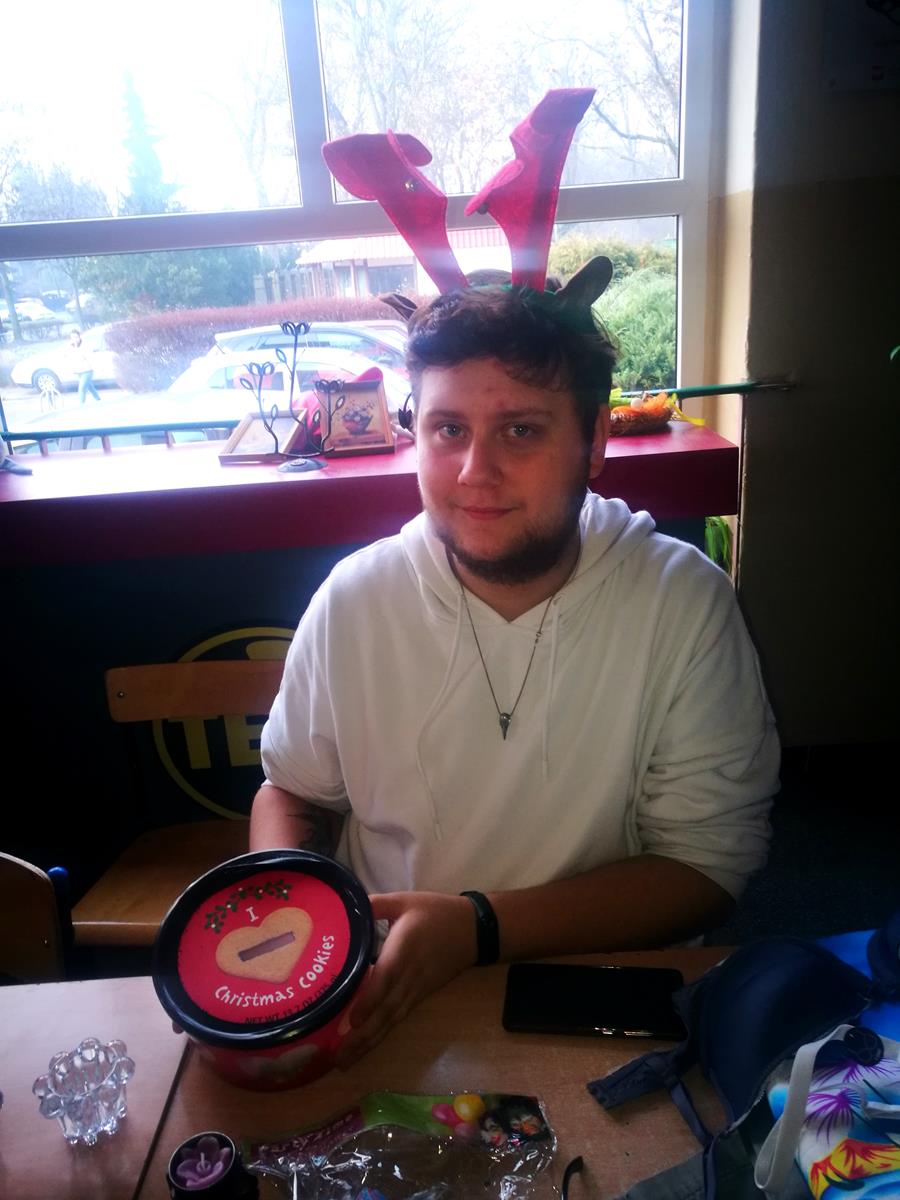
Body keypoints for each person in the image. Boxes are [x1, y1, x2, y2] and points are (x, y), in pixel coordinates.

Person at [250, 283, 780, 1066]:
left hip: (597, 992)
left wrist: (477, 928)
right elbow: (295, 790)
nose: (476, 471)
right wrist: (292, 928)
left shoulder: (681, 600)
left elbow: (707, 864)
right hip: (388, 993)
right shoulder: (355, 597)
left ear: (594, 441)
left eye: (521, 430)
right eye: (448, 430)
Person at [69, 330, 102, 403]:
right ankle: (99, 400)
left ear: (79, 337)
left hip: (87, 371)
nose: (75, 339)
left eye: (76, 337)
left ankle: (81, 406)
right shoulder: (71, 347)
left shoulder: (84, 346)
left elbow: (90, 358)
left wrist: (95, 368)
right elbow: (71, 359)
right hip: (78, 372)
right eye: (73, 337)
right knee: (90, 388)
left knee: (82, 388)